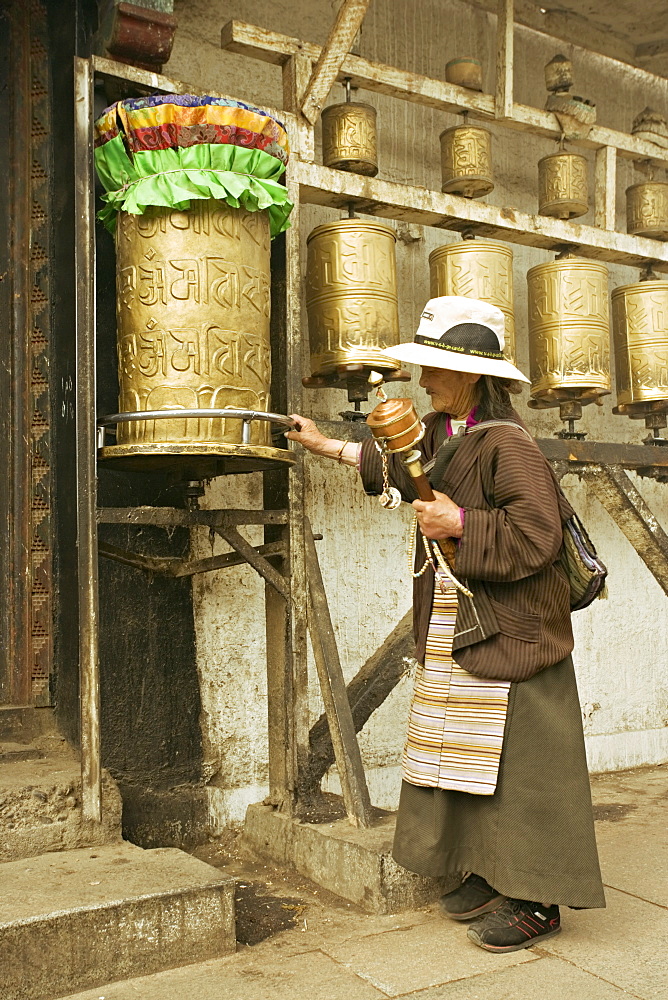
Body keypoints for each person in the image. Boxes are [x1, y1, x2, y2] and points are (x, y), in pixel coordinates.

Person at [287, 295, 605, 953]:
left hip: (515, 631)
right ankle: (492, 874)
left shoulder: (509, 446)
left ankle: (538, 899)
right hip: (465, 620)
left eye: (436, 369)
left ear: (473, 378)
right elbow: (405, 470)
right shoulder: (444, 430)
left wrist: (462, 524)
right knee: (464, 759)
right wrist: (329, 446)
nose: (424, 381)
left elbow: (538, 535)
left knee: (520, 766)